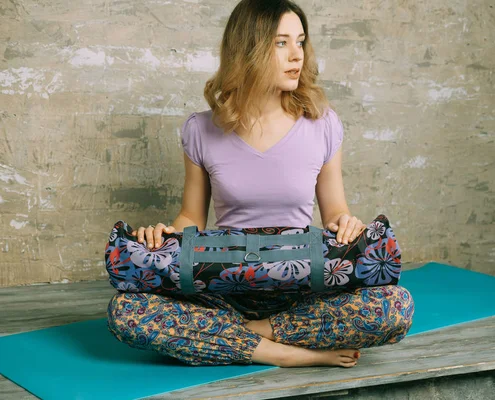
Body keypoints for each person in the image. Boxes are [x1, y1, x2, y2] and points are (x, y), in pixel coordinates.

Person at [106, 0, 414, 368]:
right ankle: (285, 353)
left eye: (300, 42)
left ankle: (253, 333)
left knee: (395, 306)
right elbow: (192, 218)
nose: (296, 55)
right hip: (221, 285)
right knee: (125, 310)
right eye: (281, 43)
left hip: (302, 285)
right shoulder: (200, 129)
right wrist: (164, 237)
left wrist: (348, 224)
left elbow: (336, 214)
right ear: (248, 50)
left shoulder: (323, 124)